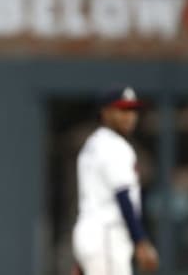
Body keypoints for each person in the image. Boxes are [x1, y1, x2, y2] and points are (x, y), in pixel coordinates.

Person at [72, 85, 158, 275]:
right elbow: (123, 196)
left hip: (91, 234)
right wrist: (141, 241)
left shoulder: (93, 143)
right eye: (122, 109)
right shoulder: (115, 147)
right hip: (107, 235)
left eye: (133, 110)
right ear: (105, 112)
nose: (129, 116)